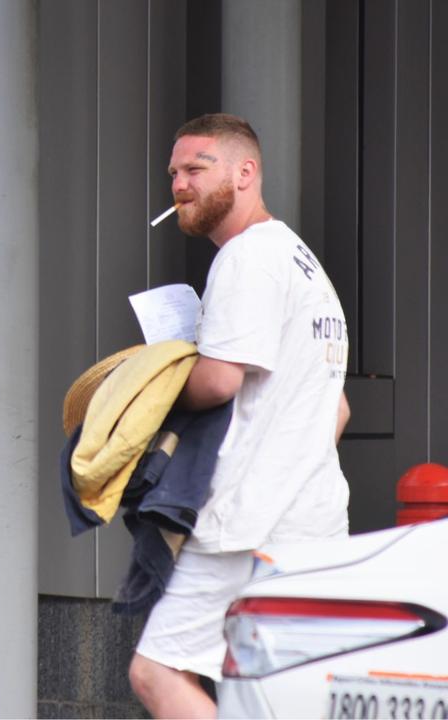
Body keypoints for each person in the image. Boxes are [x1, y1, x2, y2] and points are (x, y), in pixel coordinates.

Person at [127, 113, 351, 718]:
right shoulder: (306, 265)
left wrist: (152, 383)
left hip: (243, 525)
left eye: (197, 168)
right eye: (173, 172)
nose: (180, 184)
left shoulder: (247, 258)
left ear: (245, 172)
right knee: (276, 697)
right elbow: (338, 408)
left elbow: (221, 379)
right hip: (312, 524)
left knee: (155, 672)